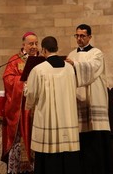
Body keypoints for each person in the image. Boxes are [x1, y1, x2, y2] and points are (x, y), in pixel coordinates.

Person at [24, 36, 81, 174]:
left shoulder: (39, 70)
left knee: (48, 155)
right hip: (67, 119)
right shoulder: (69, 68)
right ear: (57, 48)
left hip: (48, 121)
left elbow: (31, 93)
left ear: (43, 50)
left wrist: (27, 98)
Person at [66, 24, 112, 174]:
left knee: (95, 137)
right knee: (81, 137)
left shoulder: (97, 53)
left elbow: (93, 67)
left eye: (82, 36)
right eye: (77, 36)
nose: (79, 39)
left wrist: (75, 65)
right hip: (78, 98)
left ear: (89, 37)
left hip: (94, 98)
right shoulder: (72, 54)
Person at [2, 32, 38, 174]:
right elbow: (8, 79)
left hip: (38, 108)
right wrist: (23, 83)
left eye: (36, 43)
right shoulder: (15, 60)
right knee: (20, 142)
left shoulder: (42, 60)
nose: (34, 46)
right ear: (23, 44)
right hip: (21, 109)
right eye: (31, 44)